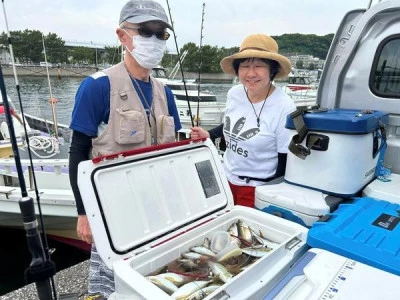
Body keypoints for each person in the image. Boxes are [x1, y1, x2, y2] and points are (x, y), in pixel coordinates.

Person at [68, 0, 181, 298]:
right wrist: (84, 213)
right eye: (146, 31)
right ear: (122, 35)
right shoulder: (96, 87)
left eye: (161, 34)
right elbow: (78, 151)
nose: (154, 40)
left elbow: (176, 151)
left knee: (152, 280)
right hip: (111, 209)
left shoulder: (165, 91)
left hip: (158, 207)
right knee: (111, 285)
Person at [191, 34, 295, 208]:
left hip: (257, 189)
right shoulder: (235, 93)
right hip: (225, 180)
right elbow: (233, 126)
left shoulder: (285, 106)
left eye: (259, 66)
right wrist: (208, 134)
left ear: (273, 70)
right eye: (245, 66)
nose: (251, 73)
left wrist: (270, 197)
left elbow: (286, 161)